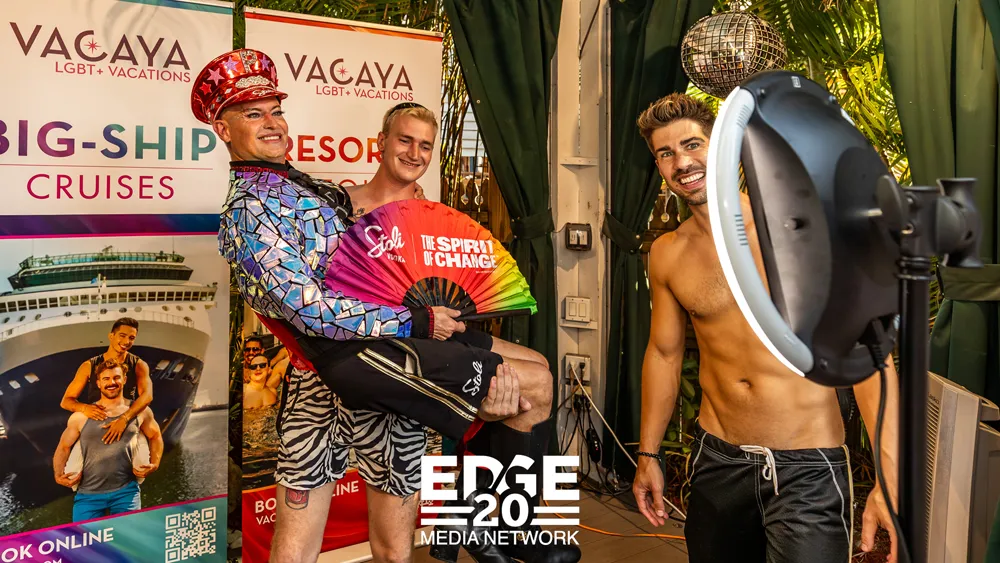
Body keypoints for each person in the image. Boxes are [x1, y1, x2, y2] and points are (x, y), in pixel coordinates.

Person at [192, 49, 577, 563]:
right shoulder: (251, 206)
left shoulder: (312, 189)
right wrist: (415, 318)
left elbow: (376, 273)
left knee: (535, 376)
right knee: (299, 539)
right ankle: (484, 522)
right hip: (343, 361)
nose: (272, 123)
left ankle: (491, 520)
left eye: (275, 111)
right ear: (223, 128)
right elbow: (308, 309)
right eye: (253, 114)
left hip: (382, 346)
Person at [631, 93, 900, 563]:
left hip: (807, 468)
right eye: (666, 153)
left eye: (692, 145)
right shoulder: (667, 254)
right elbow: (664, 354)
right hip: (718, 461)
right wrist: (648, 455)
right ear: (658, 166)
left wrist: (889, 479)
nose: (682, 162)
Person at [53, 360, 163, 521]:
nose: (112, 382)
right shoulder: (81, 416)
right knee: (84, 537)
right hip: (88, 495)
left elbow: (155, 436)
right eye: (106, 379)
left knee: (128, 537)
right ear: (98, 383)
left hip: (126, 492)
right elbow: (63, 446)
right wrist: (58, 475)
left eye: (116, 377)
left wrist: (155, 463)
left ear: (124, 379)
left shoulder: (140, 412)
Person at [60, 317, 152, 444]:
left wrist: (124, 419)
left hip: (125, 425)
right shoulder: (88, 366)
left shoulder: (139, 365)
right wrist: (84, 408)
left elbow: (147, 396)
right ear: (111, 336)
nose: (126, 341)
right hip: (96, 425)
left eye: (131, 338)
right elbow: (66, 401)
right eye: (122, 336)